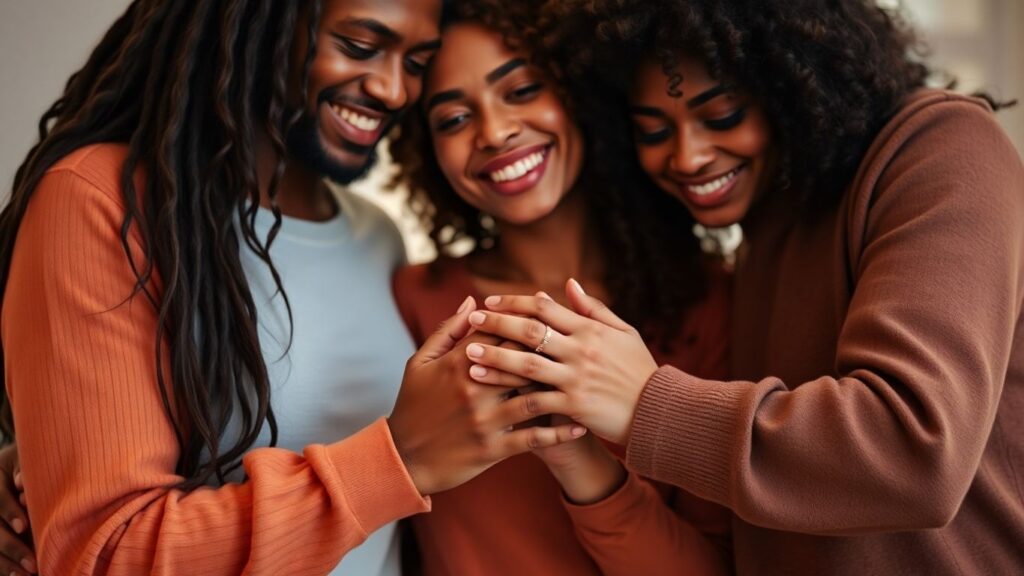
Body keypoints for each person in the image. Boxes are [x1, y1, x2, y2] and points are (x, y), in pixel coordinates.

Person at [0, 0, 583, 574]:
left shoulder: (376, 239)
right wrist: (399, 459)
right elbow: (105, 555)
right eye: (360, 46)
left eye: (414, 62)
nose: (393, 91)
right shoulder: (104, 201)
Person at [462, 0, 1024, 574]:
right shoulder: (762, 234)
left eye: (724, 116)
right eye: (652, 131)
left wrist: (644, 404)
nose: (689, 156)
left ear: (790, 81)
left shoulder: (939, 147)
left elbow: (914, 454)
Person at [386, 1, 731, 574]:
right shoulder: (415, 302)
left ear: (581, 97)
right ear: (427, 151)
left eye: (521, 90)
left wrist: (581, 461)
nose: (494, 132)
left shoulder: (707, 302)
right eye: (452, 119)